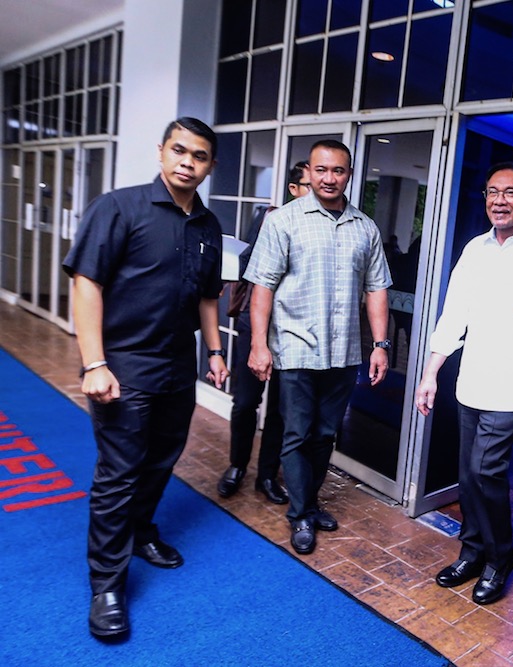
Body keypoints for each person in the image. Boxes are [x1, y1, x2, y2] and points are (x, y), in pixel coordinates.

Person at [63, 117, 229, 639]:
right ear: (161, 152)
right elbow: (86, 283)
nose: (187, 162)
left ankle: (140, 531)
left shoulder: (209, 226)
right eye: (179, 150)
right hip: (123, 366)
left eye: (199, 156)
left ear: (210, 165)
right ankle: (107, 585)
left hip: (177, 366)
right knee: (120, 472)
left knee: (160, 460)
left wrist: (215, 352)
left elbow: (208, 296)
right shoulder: (118, 207)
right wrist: (94, 362)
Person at [414, 162, 513, 605]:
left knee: (486, 469)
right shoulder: (474, 250)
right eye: (492, 192)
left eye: (509, 192)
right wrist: (430, 373)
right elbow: (454, 316)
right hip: (473, 379)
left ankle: (501, 558)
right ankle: (472, 551)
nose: (499, 201)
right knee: (468, 474)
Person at [244, 139, 392, 556]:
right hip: (295, 347)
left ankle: (308, 502)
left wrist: (380, 345)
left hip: (344, 350)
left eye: (338, 170)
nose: (329, 178)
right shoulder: (284, 221)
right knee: (296, 433)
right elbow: (262, 287)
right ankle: (301, 515)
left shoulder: (365, 228)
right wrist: (258, 344)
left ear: (350, 175)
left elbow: (376, 289)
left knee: (326, 434)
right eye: (321, 170)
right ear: (308, 172)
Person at [216, 162, 312, 504]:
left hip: (293, 331)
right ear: (293, 189)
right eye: (308, 184)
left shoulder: (323, 229)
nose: (316, 190)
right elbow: (247, 264)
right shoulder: (271, 219)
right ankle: (237, 466)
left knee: (281, 410)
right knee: (245, 402)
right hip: (254, 323)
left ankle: (267, 475)